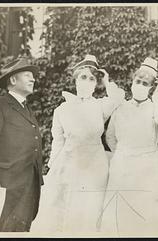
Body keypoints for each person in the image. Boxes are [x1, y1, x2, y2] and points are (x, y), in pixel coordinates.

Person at [31, 54, 125, 235]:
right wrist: (53, 166)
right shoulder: (62, 110)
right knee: (65, 212)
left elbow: (119, 97)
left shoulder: (100, 106)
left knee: (90, 212)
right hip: (69, 163)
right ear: (75, 80)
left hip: (95, 167)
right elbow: (58, 141)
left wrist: (106, 81)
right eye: (83, 77)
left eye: (92, 78)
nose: (88, 81)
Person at [99, 57, 158, 236]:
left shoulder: (157, 107)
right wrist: (123, 155)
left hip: (148, 166)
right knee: (121, 213)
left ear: (151, 86)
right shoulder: (121, 107)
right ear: (132, 82)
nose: (140, 85)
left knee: (146, 212)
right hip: (122, 164)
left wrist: (157, 95)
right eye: (137, 81)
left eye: (145, 83)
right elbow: (110, 136)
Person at [0, 58, 43, 232]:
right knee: (2, 232)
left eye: (33, 76)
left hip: (28, 187)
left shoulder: (27, 109)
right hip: (5, 188)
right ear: (13, 80)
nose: (33, 79)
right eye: (28, 75)